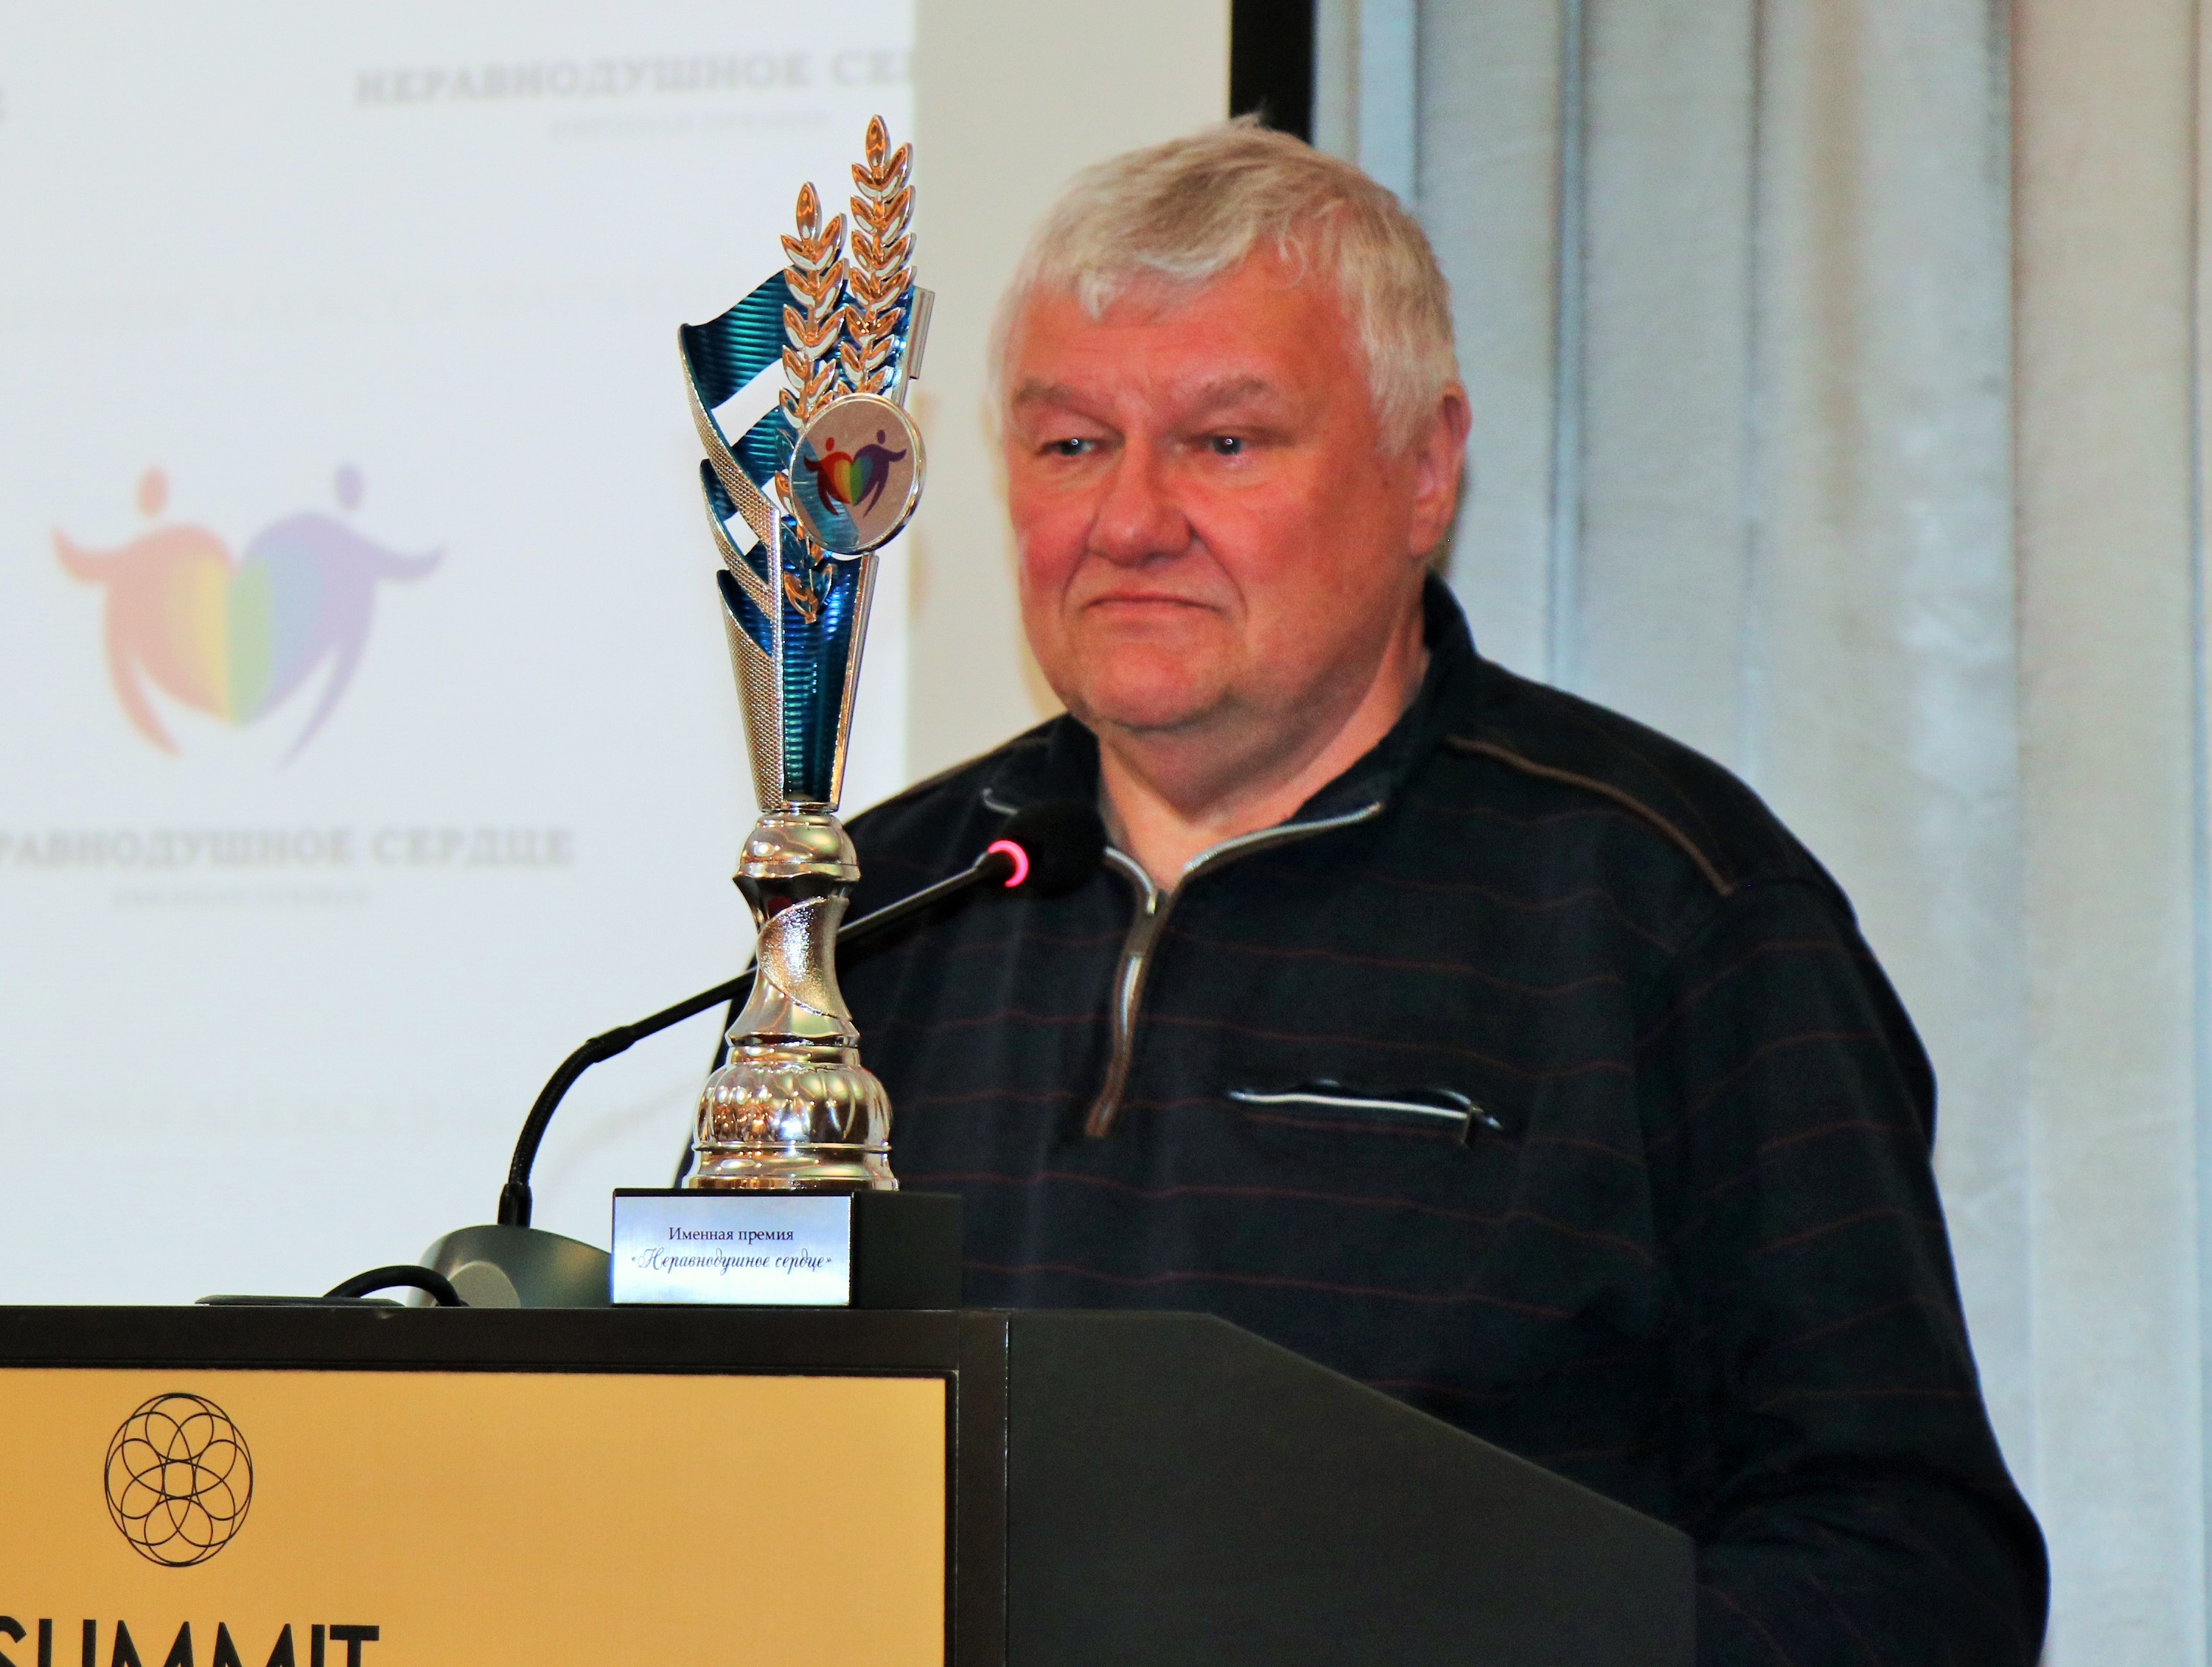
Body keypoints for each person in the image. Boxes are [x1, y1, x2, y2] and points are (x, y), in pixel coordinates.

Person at [838, 119, 2048, 1663]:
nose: (1130, 521)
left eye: (1225, 442)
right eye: (1071, 445)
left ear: (1425, 471)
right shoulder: (883, 909)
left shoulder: (1674, 910)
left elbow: (1911, 1568)